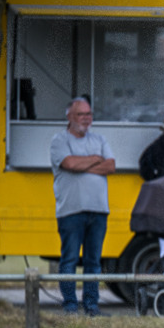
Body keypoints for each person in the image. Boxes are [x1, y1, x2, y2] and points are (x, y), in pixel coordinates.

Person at [49, 97, 115, 316]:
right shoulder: (59, 140)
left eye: (89, 114)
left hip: (99, 210)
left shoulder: (100, 139)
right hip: (71, 211)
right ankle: (70, 305)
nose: (86, 119)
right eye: (81, 114)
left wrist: (82, 165)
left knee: (93, 261)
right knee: (69, 259)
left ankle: (91, 305)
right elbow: (69, 163)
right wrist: (95, 159)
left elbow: (110, 166)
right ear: (69, 116)